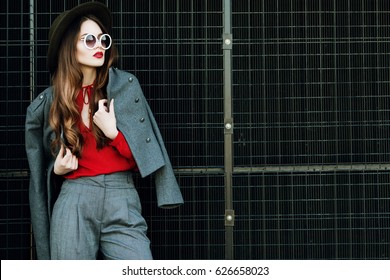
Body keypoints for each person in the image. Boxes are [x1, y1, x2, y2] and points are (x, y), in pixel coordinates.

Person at [25, 2, 183, 260]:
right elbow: (40, 165)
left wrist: (114, 133)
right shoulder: (51, 103)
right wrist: (56, 168)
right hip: (74, 198)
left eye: (102, 39)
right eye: (89, 39)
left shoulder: (125, 87)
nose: (99, 45)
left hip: (123, 199)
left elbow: (144, 158)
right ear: (69, 47)